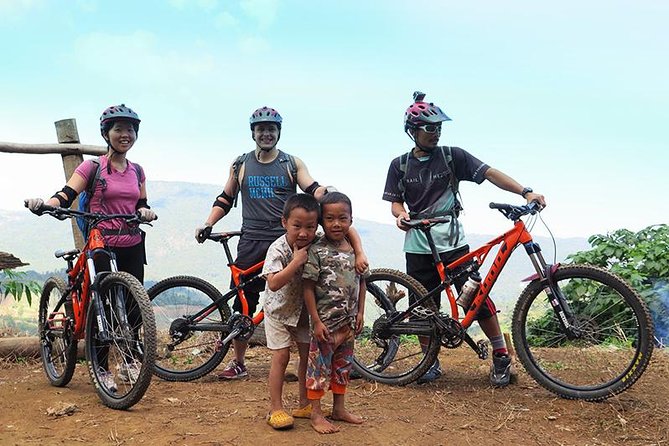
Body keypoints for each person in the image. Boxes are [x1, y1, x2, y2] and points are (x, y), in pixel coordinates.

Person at [382, 91, 546, 387]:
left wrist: (525, 191)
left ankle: (500, 355)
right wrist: (400, 215)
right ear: (413, 131)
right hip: (418, 243)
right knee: (422, 304)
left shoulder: (452, 156)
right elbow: (395, 202)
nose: (436, 132)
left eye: (439, 127)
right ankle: (428, 361)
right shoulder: (399, 165)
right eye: (430, 128)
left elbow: (490, 173)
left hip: (453, 242)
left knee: (476, 296)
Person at [195, 106, 368, 381]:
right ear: (253, 133)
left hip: (288, 240)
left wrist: (328, 192)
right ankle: (238, 362)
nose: (266, 133)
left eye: (271, 129)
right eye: (261, 129)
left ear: (278, 133)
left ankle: (314, 359)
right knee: (245, 303)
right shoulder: (240, 164)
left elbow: (312, 188)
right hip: (251, 239)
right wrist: (208, 223)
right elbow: (225, 198)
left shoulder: (291, 163)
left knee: (305, 294)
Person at [25, 103, 157, 390]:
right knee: (101, 303)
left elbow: (141, 202)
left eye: (130, 130)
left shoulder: (137, 171)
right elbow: (67, 192)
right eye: (119, 129)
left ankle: (130, 361)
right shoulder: (93, 166)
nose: (126, 134)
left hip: (132, 240)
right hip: (101, 241)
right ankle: (101, 368)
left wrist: (146, 211)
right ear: (106, 133)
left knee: (134, 306)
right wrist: (46, 204)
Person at [302, 192, 368, 434]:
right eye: (329, 218)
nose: (336, 224)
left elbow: (362, 282)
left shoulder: (354, 249)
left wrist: (360, 312)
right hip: (325, 325)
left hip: (348, 323)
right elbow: (307, 287)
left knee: (342, 366)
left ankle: (339, 409)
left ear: (351, 220)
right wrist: (316, 321)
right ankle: (316, 414)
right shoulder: (316, 250)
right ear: (321, 220)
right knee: (318, 368)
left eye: (342, 218)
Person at [262, 194, 320, 430]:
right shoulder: (278, 248)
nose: (304, 233)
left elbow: (348, 231)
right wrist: (296, 262)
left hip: (304, 312)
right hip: (278, 312)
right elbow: (274, 283)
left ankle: (304, 403)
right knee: (282, 356)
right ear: (284, 222)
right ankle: (275, 408)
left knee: (307, 355)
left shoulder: (316, 242)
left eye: (310, 227)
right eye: (297, 226)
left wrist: (359, 252)